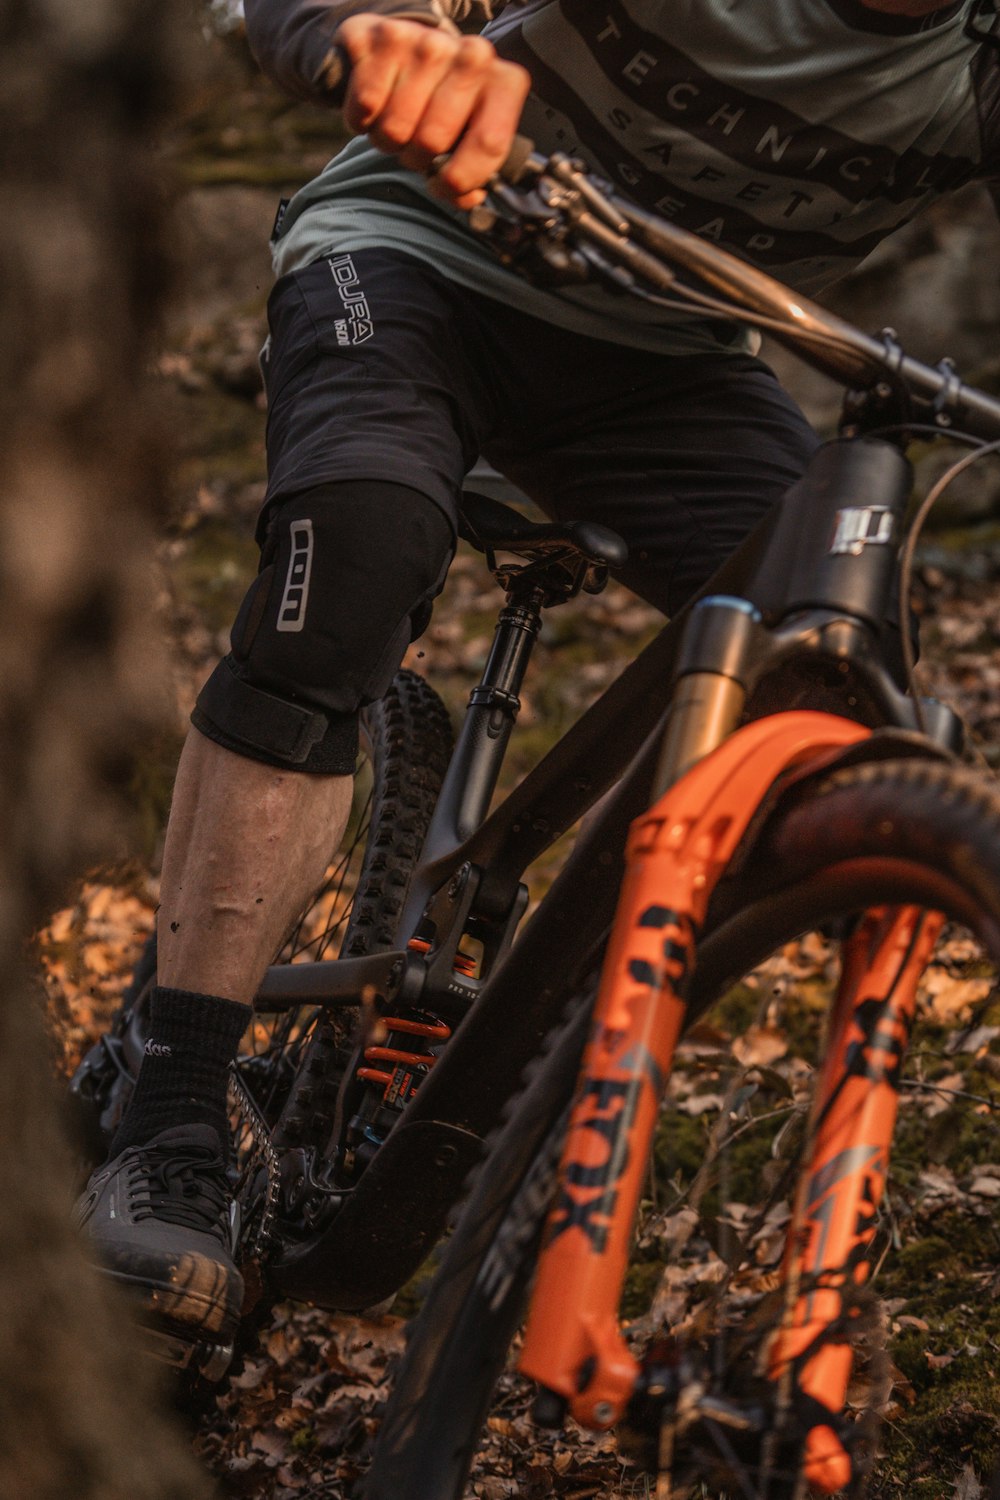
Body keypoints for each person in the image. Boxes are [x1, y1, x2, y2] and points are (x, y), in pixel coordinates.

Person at [76, 0, 1000, 1348]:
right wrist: (367, 32)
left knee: (838, 672)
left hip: (666, 366)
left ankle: (553, 1019)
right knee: (351, 571)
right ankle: (168, 1109)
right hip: (413, 262)